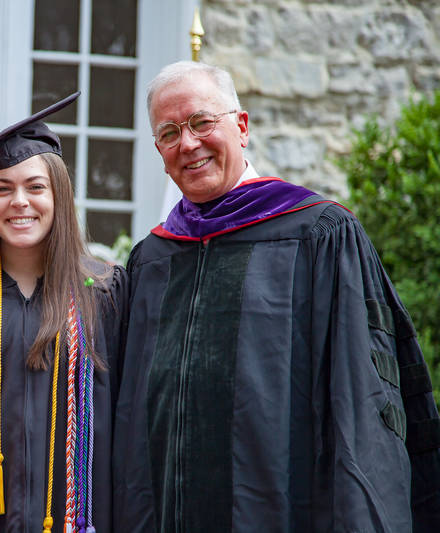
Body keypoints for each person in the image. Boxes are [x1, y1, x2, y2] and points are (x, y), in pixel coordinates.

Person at [112, 61, 440, 532]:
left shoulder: (321, 236)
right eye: (168, 133)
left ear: (241, 126)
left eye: (202, 122)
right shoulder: (152, 259)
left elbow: (362, 404)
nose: (188, 143)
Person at [0, 94, 127, 533]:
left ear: (58, 195)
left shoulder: (103, 291)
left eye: (35, 187)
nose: (19, 201)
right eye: (2, 189)